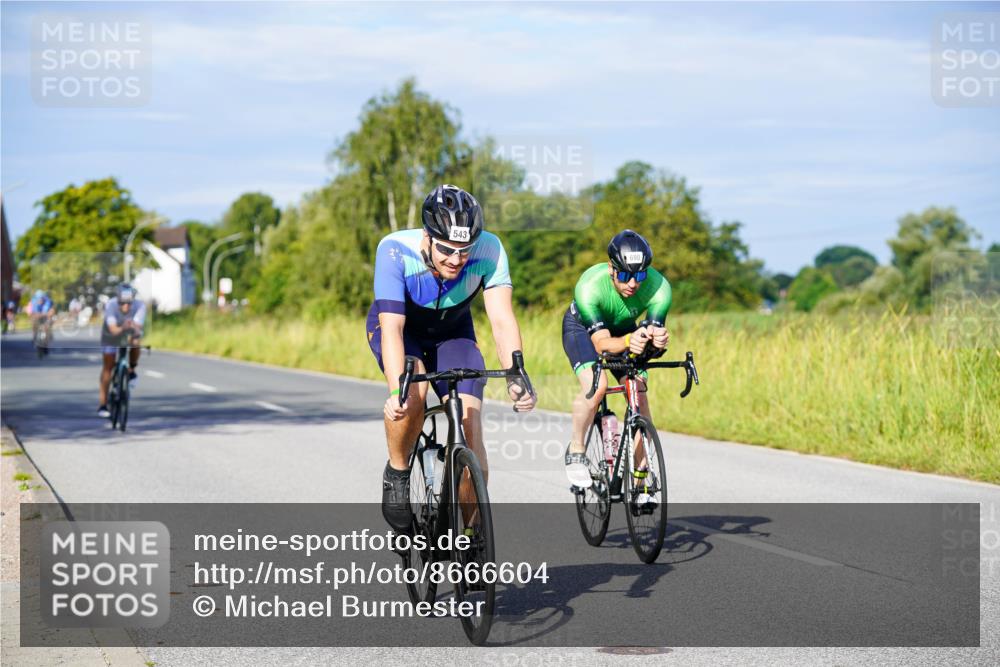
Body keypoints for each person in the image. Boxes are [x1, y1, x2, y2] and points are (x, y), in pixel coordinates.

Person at [367, 184, 537, 533]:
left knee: (470, 426)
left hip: (453, 332)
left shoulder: (490, 249)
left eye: (464, 250)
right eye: (446, 249)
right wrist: (397, 391)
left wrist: (516, 374)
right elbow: (393, 329)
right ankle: (397, 471)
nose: (456, 260)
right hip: (404, 329)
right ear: (427, 237)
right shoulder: (395, 250)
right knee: (412, 396)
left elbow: (502, 321)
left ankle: (472, 535)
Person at [561, 230, 672, 488]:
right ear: (611, 268)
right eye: (624, 276)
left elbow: (651, 334)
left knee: (639, 394)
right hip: (583, 330)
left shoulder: (660, 288)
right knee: (597, 386)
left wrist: (657, 341)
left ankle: (641, 478)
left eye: (640, 276)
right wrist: (628, 340)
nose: (632, 284)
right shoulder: (589, 286)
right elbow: (601, 344)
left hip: (624, 329)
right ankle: (576, 449)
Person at [97, 283, 146, 418]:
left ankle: (131, 369)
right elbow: (113, 330)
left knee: (136, 342)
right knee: (108, 366)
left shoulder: (140, 306)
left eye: (129, 303)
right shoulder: (111, 305)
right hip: (111, 334)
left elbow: (138, 329)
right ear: (117, 300)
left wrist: (132, 329)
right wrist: (124, 326)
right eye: (122, 303)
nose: (125, 306)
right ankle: (103, 404)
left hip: (129, 331)